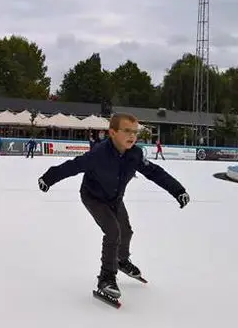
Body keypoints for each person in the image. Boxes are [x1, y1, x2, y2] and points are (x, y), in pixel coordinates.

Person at [36, 112, 190, 299]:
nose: (132, 136)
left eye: (135, 132)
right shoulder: (99, 153)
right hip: (93, 197)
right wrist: (48, 178)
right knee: (113, 231)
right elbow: (73, 166)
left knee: (126, 231)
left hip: (115, 198)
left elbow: (155, 173)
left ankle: (121, 260)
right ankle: (106, 278)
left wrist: (178, 190)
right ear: (112, 132)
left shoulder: (135, 154)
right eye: (127, 131)